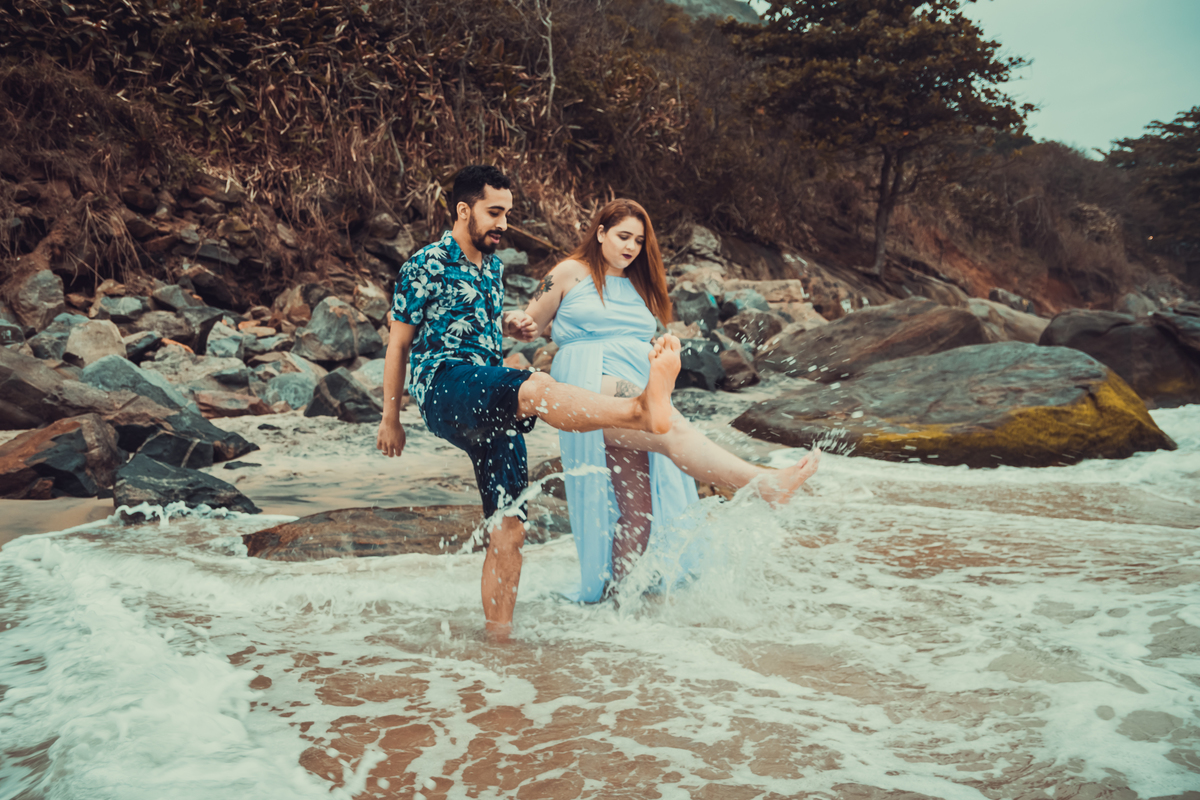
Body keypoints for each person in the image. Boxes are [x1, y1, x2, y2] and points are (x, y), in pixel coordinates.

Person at [376, 167, 684, 637]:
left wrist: (509, 327)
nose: (503, 223)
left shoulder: (493, 268)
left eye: (507, 214)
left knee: (509, 531)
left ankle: (498, 642)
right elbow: (399, 344)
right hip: (444, 383)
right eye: (493, 212)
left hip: (489, 398)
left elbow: (473, 322)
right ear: (464, 210)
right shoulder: (427, 263)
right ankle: (639, 410)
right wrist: (390, 419)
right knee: (535, 385)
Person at [522, 199, 820, 602]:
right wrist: (514, 322)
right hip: (589, 383)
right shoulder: (569, 273)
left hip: (635, 377)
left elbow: (637, 339)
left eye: (639, 241)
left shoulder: (640, 283)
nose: (630, 247)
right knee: (671, 429)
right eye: (623, 236)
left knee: (639, 507)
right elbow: (529, 323)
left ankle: (616, 602)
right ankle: (762, 483)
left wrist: (663, 347)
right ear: (601, 232)